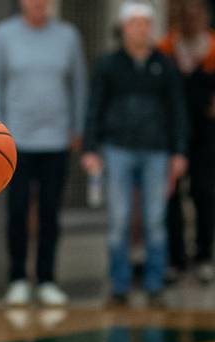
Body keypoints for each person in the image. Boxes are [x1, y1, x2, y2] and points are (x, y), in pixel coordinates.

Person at [82, 1, 188, 306]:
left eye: (145, 23)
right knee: (119, 219)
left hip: (156, 151)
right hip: (118, 150)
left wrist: (179, 151)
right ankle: (120, 285)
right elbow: (95, 107)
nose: (141, 29)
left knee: (155, 219)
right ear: (125, 28)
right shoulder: (109, 64)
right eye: (135, 23)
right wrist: (91, 147)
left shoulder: (164, 65)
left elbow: (176, 110)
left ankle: (155, 285)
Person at [0, 0, 87, 306]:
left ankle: (47, 279)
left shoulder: (68, 36)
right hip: (14, 141)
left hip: (56, 140)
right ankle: (17, 277)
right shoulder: (4, 35)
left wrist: (78, 128)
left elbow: (78, 84)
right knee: (16, 210)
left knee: (50, 213)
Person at [159, 0, 215, 284]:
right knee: (171, 196)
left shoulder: (212, 48)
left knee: (204, 193)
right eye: (186, 15)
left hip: (206, 135)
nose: (191, 19)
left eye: (197, 15)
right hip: (172, 134)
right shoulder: (167, 48)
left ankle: (204, 255)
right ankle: (176, 258)